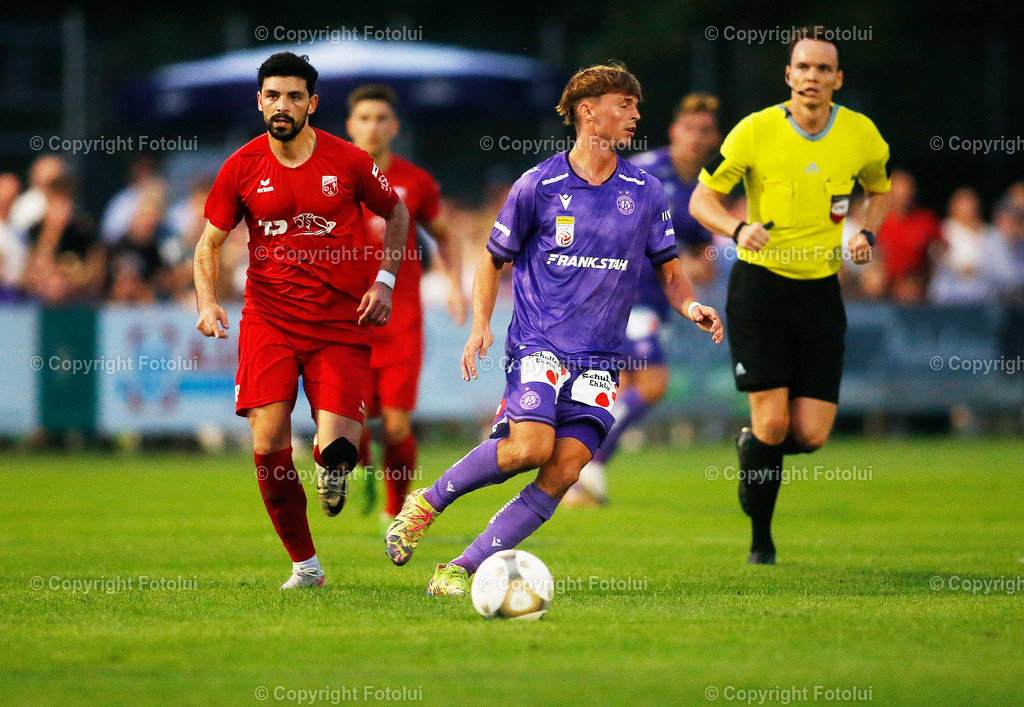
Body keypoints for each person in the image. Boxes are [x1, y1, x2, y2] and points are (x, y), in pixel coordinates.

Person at [384, 63, 723, 595]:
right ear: (588, 112)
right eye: (624, 104)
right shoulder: (538, 185)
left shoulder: (647, 191)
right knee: (529, 448)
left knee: (564, 470)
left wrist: (692, 307)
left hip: (602, 360)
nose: (635, 115)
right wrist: (479, 328)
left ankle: (460, 568)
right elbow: (492, 262)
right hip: (539, 345)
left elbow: (671, 272)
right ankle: (427, 502)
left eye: (636, 105)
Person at [193, 52, 410, 588]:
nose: (282, 105)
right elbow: (209, 244)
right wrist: (207, 301)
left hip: (340, 324)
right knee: (268, 442)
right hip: (269, 319)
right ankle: (305, 567)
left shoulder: (349, 161)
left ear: (312, 103)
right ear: (259, 101)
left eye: (293, 96)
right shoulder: (241, 166)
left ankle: (332, 468)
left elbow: (397, 213)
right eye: (272, 95)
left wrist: (384, 281)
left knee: (337, 447)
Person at [689, 29, 891, 564]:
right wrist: (735, 230)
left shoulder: (860, 134)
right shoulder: (755, 131)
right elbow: (701, 199)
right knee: (773, 422)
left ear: (838, 79)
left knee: (810, 435)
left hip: (821, 292)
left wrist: (865, 232)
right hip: (760, 289)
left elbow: (879, 190)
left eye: (824, 69)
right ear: (788, 75)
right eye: (803, 67)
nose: (812, 78)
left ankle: (753, 447)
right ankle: (762, 542)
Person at [568, 92, 721, 505]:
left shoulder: (702, 190)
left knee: (619, 389)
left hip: (655, 300)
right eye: (688, 128)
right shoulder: (646, 173)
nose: (695, 137)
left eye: (704, 130)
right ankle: (586, 464)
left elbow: (703, 249)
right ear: (674, 131)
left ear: (714, 139)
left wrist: (702, 262)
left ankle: (579, 469)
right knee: (652, 384)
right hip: (622, 293)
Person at [344, 84, 467, 529]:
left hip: (401, 323)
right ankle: (359, 472)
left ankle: (396, 510)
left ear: (394, 127)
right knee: (347, 426)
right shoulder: (332, 178)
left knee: (395, 426)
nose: (373, 127)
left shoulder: (415, 182)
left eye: (381, 118)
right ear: (349, 126)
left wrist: (455, 284)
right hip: (345, 323)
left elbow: (446, 235)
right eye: (364, 118)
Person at [928, 187, 1015, 304]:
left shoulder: (991, 235)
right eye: (962, 202)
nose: (968, 207)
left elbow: (1005, 271)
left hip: (984, 301)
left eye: (970, 202)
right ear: (952, 206)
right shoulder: (941, 232)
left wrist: (979, 268)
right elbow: (932, 261)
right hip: (949, 300)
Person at [874, 169, 941, 302]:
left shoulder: (926, 219)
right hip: (887, 282)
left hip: (917, 281)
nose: (903, 193)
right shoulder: (875, 220)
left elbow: (940, 250)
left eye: (906, 188)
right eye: (898, 188)